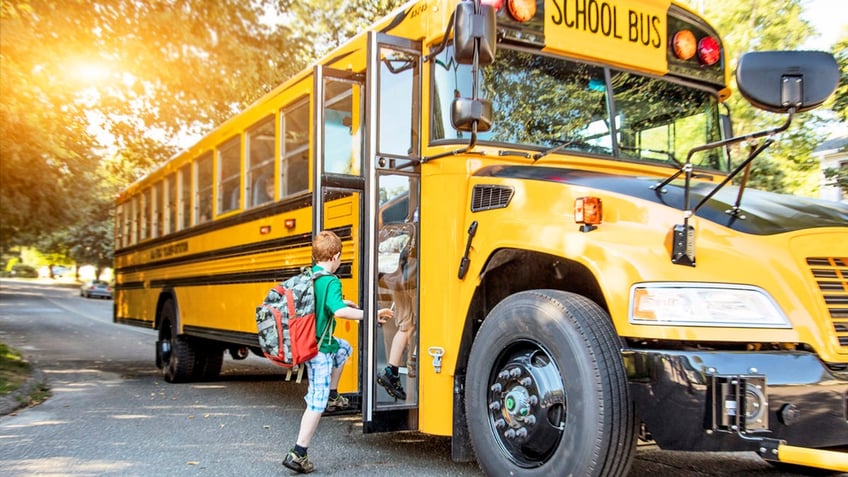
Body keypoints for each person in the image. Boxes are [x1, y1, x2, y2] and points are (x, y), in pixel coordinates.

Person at [283, 230, 393, 474]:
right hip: (318, 352)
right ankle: (298, 453)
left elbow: (328, 303)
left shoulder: (310, 275)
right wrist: (370, 314)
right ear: (334, 256)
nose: (340, 260)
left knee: (344, 348)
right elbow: (339, 312)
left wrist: (345, 302)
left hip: (311, 344)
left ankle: (334, 394)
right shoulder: (332, 280)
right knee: (316, 403)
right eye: (340, 257)